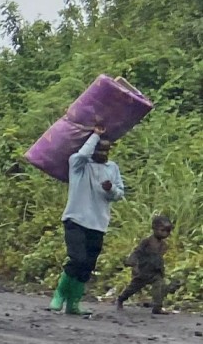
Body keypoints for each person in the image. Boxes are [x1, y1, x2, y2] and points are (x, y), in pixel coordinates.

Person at [49, 126, 125, 315]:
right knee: (77, 258)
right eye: (99, 149)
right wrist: (95, 135)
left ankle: (73, 304)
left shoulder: (112, 168)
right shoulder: (78, 164)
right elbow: (82, 154)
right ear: (92, 148)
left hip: (98, 224)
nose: (103, 153)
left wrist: (111, 190)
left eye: (106, 150)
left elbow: (119, 194)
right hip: (75, 219)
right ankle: (59, 295)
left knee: (87, 265)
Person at [117, 215, 172, 314]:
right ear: (154, 228)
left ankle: (157, 307)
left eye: (168, 231)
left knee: (158, 288)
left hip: (155, 272)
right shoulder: (146, 242)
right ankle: (121, 299)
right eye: (162, 230)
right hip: (143, 271)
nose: (165, 233)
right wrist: (133, 264)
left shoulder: (163, 245)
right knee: (133, 288)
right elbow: (136, 253)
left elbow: (159, 258)